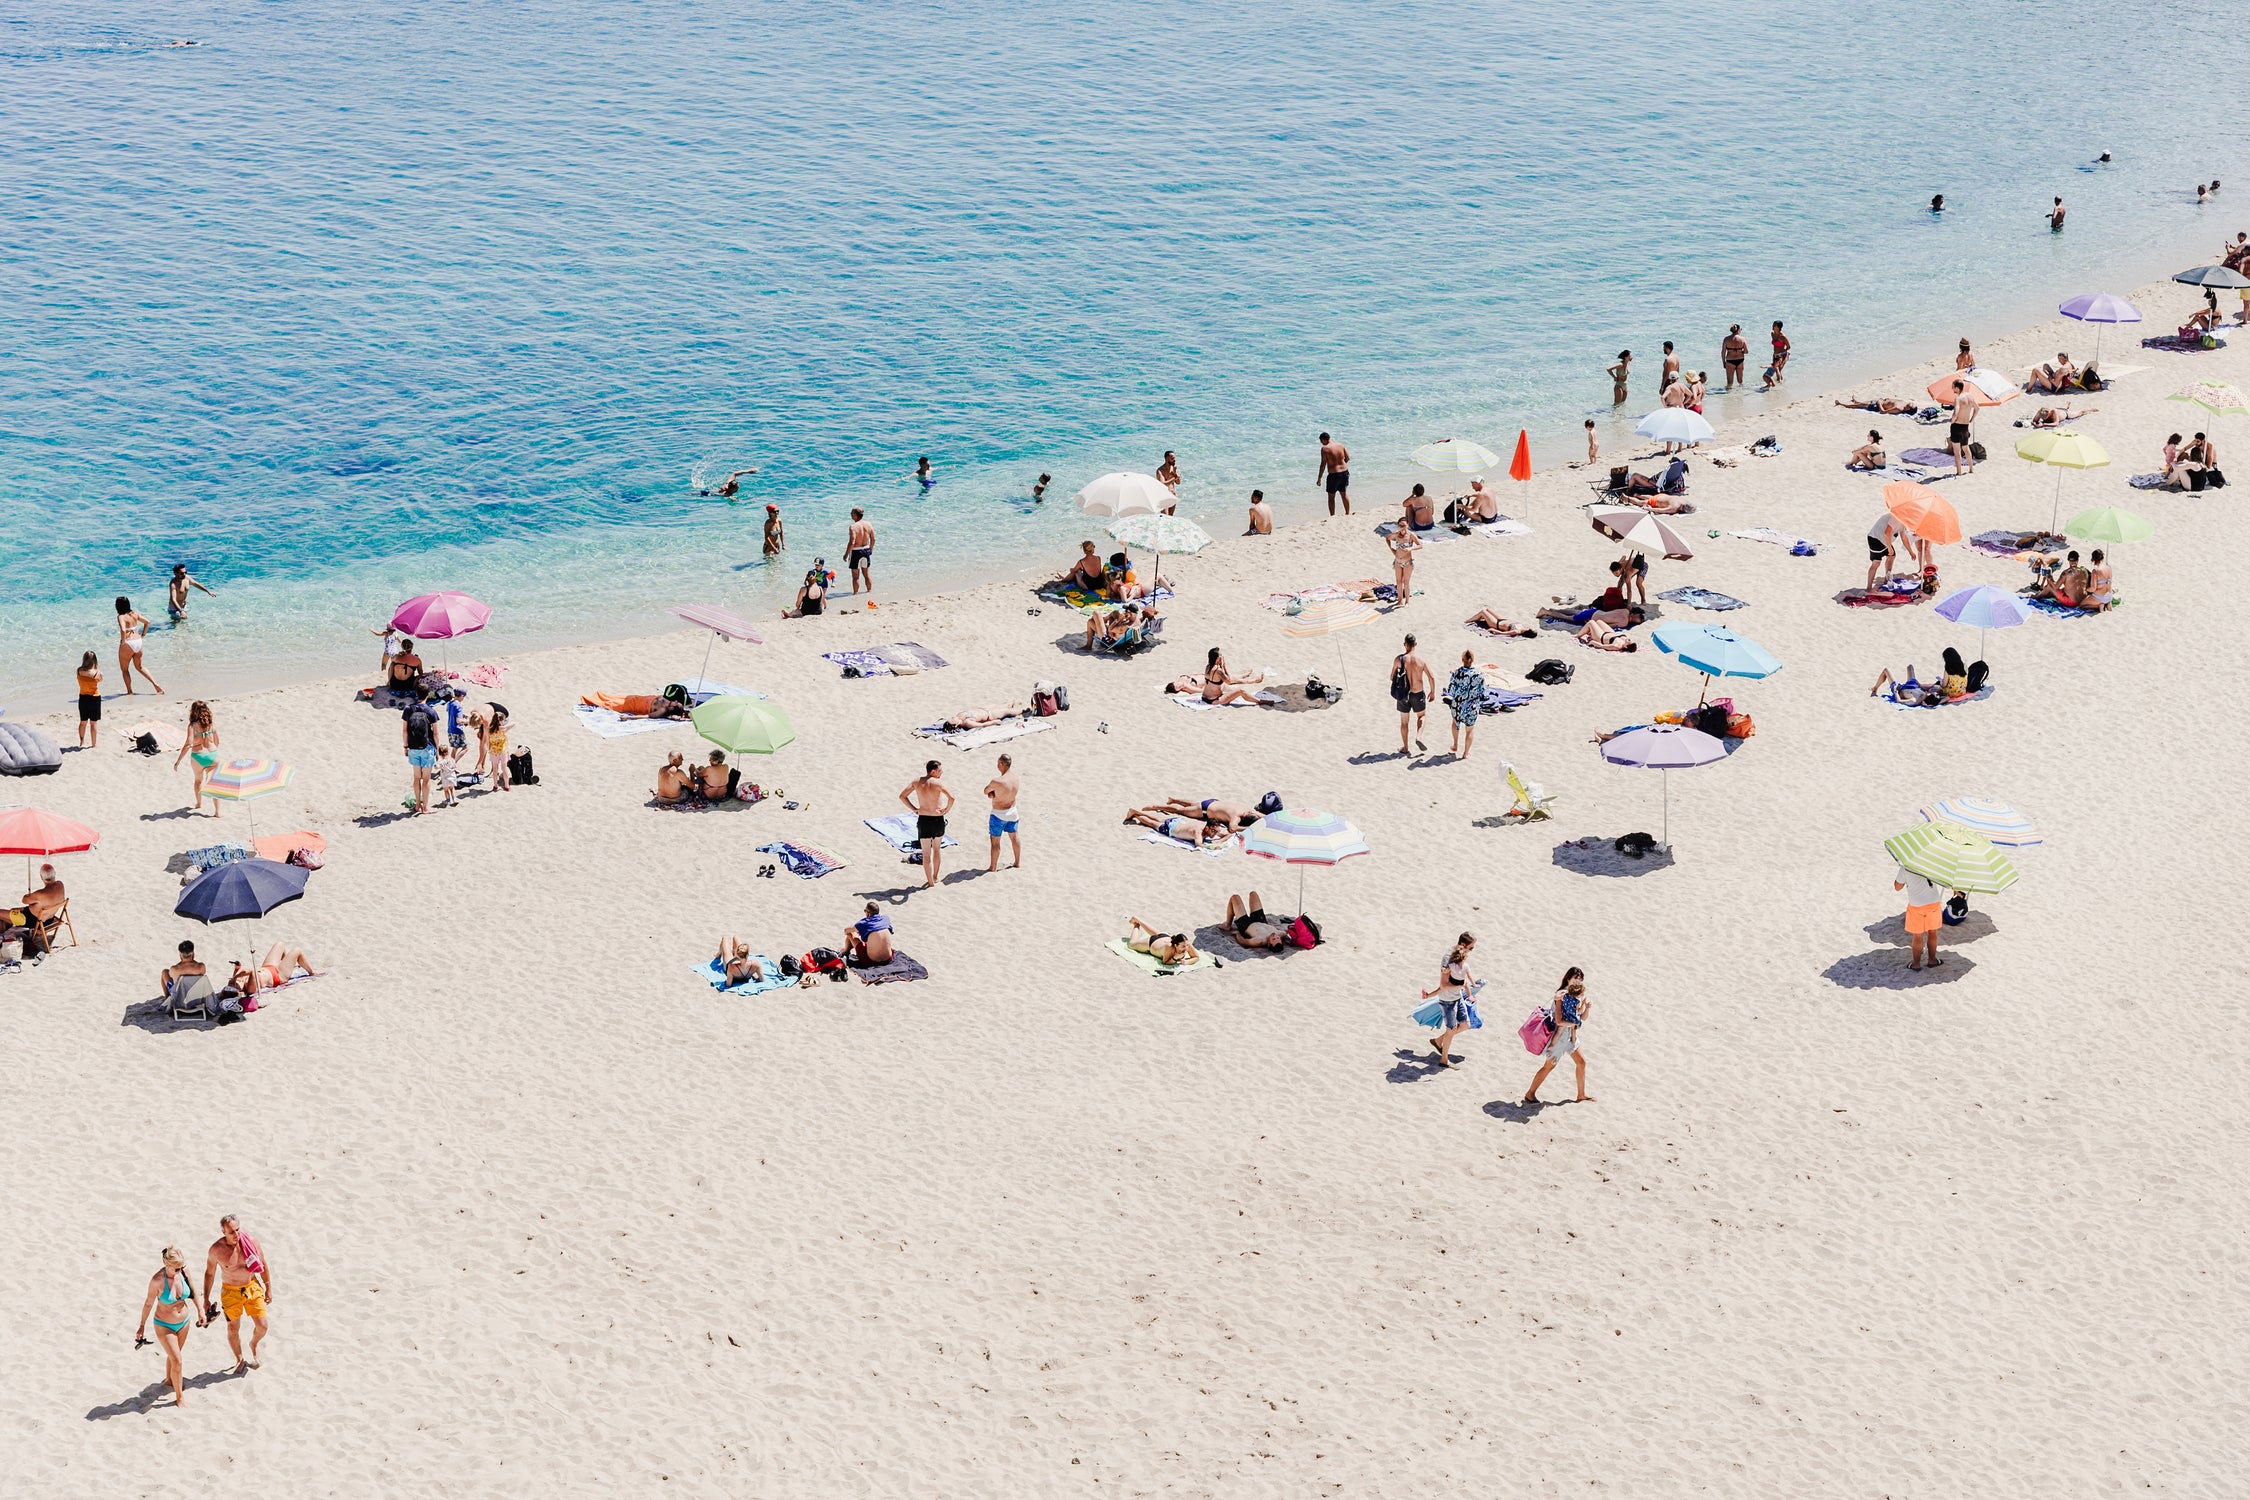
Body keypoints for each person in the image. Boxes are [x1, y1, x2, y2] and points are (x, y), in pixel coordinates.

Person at [135, 1246, 208, 1407]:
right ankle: (179, 1398)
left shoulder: (183, 1272)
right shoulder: (157, 1281)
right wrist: (141, 1326)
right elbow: (148, 1304)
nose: (180, 1270)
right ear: (166, 1264)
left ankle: (169, 1380)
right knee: (178, 1360)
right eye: (176, 1268)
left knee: (175, 1357)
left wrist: (201, 1311)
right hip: (164, 1324)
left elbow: (193, 1292)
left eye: (181, 1267)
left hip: (184, 1322)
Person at [202, 1214, 271, 1374]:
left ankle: (253, 1343)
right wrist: (206, 1299)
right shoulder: (216, 1250)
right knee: (233, 1328)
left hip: (252, 1287)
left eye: (238, 1229)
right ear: (223, 1232)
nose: (236, 1235)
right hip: (231, 1292)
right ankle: (239, 1359)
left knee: (263, 1326)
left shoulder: (251, 1241)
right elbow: (209, 1274)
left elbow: (263, 1263)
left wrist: (268, 1287)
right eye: (231, 1232)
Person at [1522, 967, 1594, 1103]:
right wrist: (1574, 1023)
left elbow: (1581, 1018)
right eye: (1576, 978)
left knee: (1581, 1062)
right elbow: (1559, 1020)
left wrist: (1586, 1008)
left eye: (1581, 979)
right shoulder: (1561, 995)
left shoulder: (1577, 995)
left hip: (1570, 1036)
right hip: (1559, 1037)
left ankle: (1581, 1094)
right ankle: (1530, 1093)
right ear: (1568, 978)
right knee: (1549, 1066)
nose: (1578, 981)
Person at [1421, 932, 1477, 1069]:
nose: (1471, 951)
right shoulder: (1448, 959)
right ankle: (1444, 1060)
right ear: (1463, 945)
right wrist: (1461, 984)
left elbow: (1464, 975)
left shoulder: (1460, 956)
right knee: (1451, 1029)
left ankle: (1439, 1040)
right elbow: (1443, 985)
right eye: (1471, 948)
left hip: (1457, 997)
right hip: (1447, 1000)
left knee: (1465, 1025)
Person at [899, 759, 954, 888]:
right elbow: (952, 798)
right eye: (940, 770)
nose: (941, 773)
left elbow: (902, 796)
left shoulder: (917, 782)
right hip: (937, 819)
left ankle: (930, 882)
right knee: (936, 849)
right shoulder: (938, 783)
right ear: (933, 771)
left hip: (923, 820)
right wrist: (946, 809)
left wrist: (914, 809)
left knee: (926, 853)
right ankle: (935, 876)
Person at [1896, 863, 1946, 969]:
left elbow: (1897, 887)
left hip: (1916, 905)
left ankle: (1916, 964)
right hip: (1933, 902)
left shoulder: (1906, 867)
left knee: (1917, 936)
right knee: (1933, 933)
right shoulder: (1931, 863)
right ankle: (1932, 960)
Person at [1391, 634, 1436, 754]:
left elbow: (1391, 677)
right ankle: (1419, 737)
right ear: (1415, 644)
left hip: (1403, 694)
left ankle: (1405, 748)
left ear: (1404, 644)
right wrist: (1432, 692)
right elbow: (1431, 677)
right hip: (1417, 693)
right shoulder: (1421, 660)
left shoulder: (1398, 659)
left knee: (1404, 722)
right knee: (1422, 716)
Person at [175, 700, 220, 815]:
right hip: (213, 755)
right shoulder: (211, 725)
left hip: (198, 756)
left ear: (193, 712)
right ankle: (217, 811)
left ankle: (199, 803)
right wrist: (212, 753)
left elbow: (188, 743)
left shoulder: (192, 726)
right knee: (213, 784)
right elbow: (217, 742)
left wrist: (178, 761)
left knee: (198, 781)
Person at [227, 943, 317, 997]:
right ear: (240, 990)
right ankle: (311, 972)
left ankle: (288, 964)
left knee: (280, 944)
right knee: (297, 951)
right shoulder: (250, 988)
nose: (233, 982)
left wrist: (237, 966)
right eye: (234, 984)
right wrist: (236, 977)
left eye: (231, 983)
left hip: (267, 967)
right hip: (278, 976)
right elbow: (251, 972)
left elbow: (238, 969)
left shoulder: (238, 982)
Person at [402, 690, 439, 814]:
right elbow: (435, 733)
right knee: (426, 779)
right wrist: (437, 749)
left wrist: (406, 746)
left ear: (417, 694)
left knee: (416, 777)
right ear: (428, 695)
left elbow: (405, 731)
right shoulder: (431, 711)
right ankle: (426, 807)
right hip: (427, 748)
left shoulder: (408, 709)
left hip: (413, 748)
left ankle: (418, 805)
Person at [115, 596, 162, 694]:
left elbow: (123, 630)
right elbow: (147, 622)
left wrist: (123, 641)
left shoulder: (121, 616)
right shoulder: (135, 614)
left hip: (128, 643)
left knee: (125, 670)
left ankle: (129, 691)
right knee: (140, 667)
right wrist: (143, 634)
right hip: (138, 641)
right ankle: (155, 684)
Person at [1124, 804, 1230, 846]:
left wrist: (1220, 840)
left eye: (1216, 831)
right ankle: (1137, 815)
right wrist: (1214, 845)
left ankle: (1137, 811)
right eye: (1213, 831)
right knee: (1152, 823)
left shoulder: (1211, 829)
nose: (1215, 833)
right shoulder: (1198, 832)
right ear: (1207, 828)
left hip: (1178, 821)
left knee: (1158, 818)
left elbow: (1228, 834)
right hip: (1170, 829)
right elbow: (1199, 844)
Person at [1445, 649, 1485, 759]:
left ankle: (1455, 745)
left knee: (1455, 723)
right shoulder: (1479, 674)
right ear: (1472, 660)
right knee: (1470, 729)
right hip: (1472, 705)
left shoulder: (1457, 673)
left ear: (1462, 660)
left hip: (1458, 704)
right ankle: (1466, 753)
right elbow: (1482, 691)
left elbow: (1451, 690)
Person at [984, 752, 1020, 871]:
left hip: (999, 814)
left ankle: (993, 867)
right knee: (1014, 837)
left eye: (998, 763)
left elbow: (985, 791)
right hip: (1013, 811)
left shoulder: (997, 781)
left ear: (1001, 764)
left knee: (995, 842)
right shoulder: (1015, 778)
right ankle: (1017, 862)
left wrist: (993, 793)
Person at [1146, 796, 1262, 834]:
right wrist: (1250, 828)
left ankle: (1173, 799)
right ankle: (1157, 807)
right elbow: (1232, 829)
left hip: (1213, 802)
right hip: (1205, 810)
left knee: (1193, 803)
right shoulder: (1235, 817)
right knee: (1181, 811)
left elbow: (1263, 816)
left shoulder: (1248, 809)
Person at [1197, 647, 1267, 705]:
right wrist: (1224, 666)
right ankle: (1261, 701)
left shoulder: (1208, 666)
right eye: (1220, 655)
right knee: (1241, 690)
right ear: (1218, 658)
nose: (1222, 656)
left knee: (1232, 686)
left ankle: (1251, 679)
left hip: (1204, 697)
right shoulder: (1218, 670)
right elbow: (1229, 681)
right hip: (1214, 700)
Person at [1124, 917, 1198, 967]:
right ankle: (1136, 925)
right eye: (1183, 946)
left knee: (1158, 934)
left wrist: (1186, 962)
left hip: (1164, 937)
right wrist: (1175, 958)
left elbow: (1196, 957)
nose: (1186, 948)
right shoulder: (1169, 947)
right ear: (1176, 945)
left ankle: (1138, 920)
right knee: (1131, 944)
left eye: (1187, 945)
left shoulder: (1187, 944)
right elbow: (1165, 962)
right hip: (1152, 943)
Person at [1387, 512, 1422, 605]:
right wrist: (1392, 550)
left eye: (1404, 526)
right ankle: (1399, 600)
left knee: (1406, 583)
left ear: (1407, 525)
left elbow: (1420, 545)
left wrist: (1411, 548)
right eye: (1400, 526)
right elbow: (1387, 538)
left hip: (1407, 562)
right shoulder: (1396, 534)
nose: (1402, 528)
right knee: (1398, 582)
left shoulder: (1411, 535)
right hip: (1398, 562)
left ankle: (1407, 601)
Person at [1946, 379, 1978, 476]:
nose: (1952, 389)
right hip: (1965, 425)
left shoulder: (1958, 399)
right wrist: (1971, 419)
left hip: (1957, 426)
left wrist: (1952, 420)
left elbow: (1956, 412)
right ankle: (1971, 469)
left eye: (1953, 387)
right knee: (1966, 448)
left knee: (1957, 451)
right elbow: (1977, 408)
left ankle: (1959, 472)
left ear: (1957, 387)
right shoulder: (1970, 396)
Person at [1316, 432, 1351, 516]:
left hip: (1334, 475)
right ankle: (1347, 513)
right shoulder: (1340, 445)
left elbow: (1323, 464)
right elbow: (1348, 458)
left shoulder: (1325, 449)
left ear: (1323, 440)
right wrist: (1341, 465)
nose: (1322, 443)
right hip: (1344, 473)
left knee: (1331, 497)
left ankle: (1332, 516)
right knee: (1344, 493)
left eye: (1321, 441)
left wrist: (1319, 478)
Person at [1865, 512, 1902, 592]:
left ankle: (1887, 579)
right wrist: (1889, 548)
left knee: (1892, 556)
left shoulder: (1904, 522)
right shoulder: (1895, 518)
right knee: (1876, 563)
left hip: (1885, 540)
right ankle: (1869, 588)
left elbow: (1904, 537)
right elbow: (1886, 533)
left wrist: (1910, 552)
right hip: (1875, 538)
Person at [843, 508, 875, 594]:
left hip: (856, 552)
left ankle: (856, 594)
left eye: (851, 513)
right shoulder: (869, 524)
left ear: (855, 514)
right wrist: (871, 549)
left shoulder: (853, 526)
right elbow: (873, 539)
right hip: (866, 550)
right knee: (866, 574)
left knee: (855, 576)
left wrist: (846, 554)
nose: (850, 514)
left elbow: (852, 542)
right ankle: (869, 592)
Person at [75, 650, 102, 748]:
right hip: (94, 698)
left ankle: (82, 742)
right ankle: (94, 744)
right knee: (93, 723)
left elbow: (85, 673)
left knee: (83, 722)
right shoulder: (97, 673)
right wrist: (96, 668)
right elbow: (100, 679)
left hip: (83, 698)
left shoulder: (79, 671)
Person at [1576, 613, 1641, 651]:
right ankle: (1590, 632)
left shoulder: (1617, 646)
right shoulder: (1625, 641)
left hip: (1601, 637)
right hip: (1610, 633)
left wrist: (1593, 642)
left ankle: (1577, 636)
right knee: (1598, 621)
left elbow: (1602, 646)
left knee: (1591, 622)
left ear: (1626, 647)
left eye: (1629, 641)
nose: (1629, 640)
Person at [485, 704, 512, 792]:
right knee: (504, 769)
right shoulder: (503, 729)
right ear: (501, 720)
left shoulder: (490, 729)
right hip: (503, 751)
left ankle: (495, 786)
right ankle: (507, 786)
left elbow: (488, 740)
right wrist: (505, 726)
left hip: (493, 751)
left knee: (495, 768)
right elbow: (513, 724)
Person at [1465, 608, 1536, 638]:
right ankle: (1480, 618)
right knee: (1487, 609)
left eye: (1531, 628)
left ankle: (1468, 621)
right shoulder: (1523, 627)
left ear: (1528, 631)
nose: (1530, 627)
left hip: (1495, 624)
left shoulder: (1516, 631)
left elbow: (1502, 633)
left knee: (1483, 611)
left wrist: (1493, 630)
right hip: (1501, 619)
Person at [1764, 320, 1790, 387]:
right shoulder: (1772, 334)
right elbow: (1775, 344)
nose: (1772, 326)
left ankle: (1780, 386)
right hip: (1775, 354)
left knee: (1778, 369)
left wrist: (1783, 353)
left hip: (1782, 355)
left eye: (1774, 325)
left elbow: (1789, 346)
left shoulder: (1783, 336)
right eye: (1773, 324)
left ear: (1778, 327)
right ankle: (1780, 384)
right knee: (1776, 369)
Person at [1721, 324, 1747, 388]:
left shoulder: (1726, 339)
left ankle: (1729, 396)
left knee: (1729, 383)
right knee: (1740, 381)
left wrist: (1724, 362)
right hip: (1740, 360)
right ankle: (1741, 395)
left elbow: (1723, 352)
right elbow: (1746, 351)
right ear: (1738, 330)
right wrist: (1740, 351)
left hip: (1730, 361)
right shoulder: (1742, 339)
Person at [1834, 396, 1918, 414]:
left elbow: (1883, 412)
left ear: (1908, 409)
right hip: (1881, 401)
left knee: (1859, 405)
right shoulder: (1905, 403)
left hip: (1876, 405)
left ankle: (1842, 404)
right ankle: (1856, 401)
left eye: (1911, 405)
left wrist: (1879, 403)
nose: (1911, 403)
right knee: (1861, 403)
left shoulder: (1898, 408)